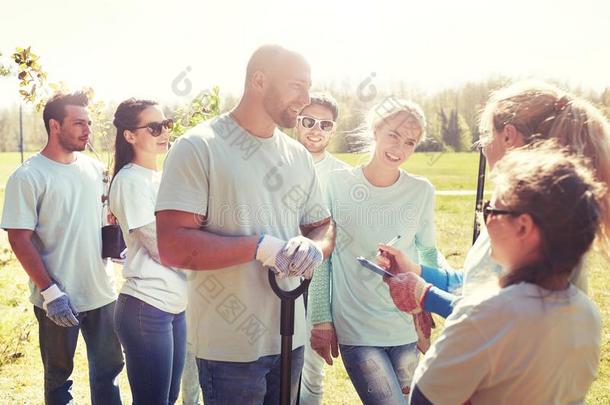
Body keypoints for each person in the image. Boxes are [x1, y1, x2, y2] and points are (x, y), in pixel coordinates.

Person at [155, 44, 335, 404]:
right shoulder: (199, 146)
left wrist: (314, 246)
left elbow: (323, 225)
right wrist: (258, 247)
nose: (306, 97)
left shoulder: (297, 155)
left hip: (290, 336)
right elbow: (172, 244)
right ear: (259, 80)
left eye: (309, 86)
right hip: (229, 349)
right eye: (297, 86)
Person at [384, 144, 605, 404]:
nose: (484, 220)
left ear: (523, 227)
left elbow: (425, 398)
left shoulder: (485, 312)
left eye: (492, 211)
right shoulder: (587, 315)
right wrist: (422, 286)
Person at [377, 81, 610, 319]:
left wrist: (424, 295)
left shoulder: (522, 222)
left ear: (508, 136)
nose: (483, 148)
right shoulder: (520, 210)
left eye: (485, 135)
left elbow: (499, 320)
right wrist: (415, 270)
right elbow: (474, 282)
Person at [308, 98, 444, 404]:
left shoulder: (421, 190)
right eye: (393, 135)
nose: (399, 148)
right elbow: (322, 260)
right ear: (375, 130)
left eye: (410, 142)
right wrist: (321, 319)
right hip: (358, 329)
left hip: (404, 328)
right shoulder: (336, 185)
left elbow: (427, 252)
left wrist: (426, 308)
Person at [1, 91, 124, 405]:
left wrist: (117, 246)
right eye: (79, 123)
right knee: (59, 378)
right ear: (54, 126)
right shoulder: (28, 176)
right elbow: (18, 238)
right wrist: (50, 292)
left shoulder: (96, 170)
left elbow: (103, 220)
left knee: (109, 371)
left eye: (89, 123)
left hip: (101, 293)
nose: (88, 130)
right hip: (57, 298)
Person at [109, 98, 187, 404]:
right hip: (146, 308)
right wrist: (214, 260)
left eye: (166, 124)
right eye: (154, 127)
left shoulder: (160, 177)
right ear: (130, 135)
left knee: (168, 398)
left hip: (176, 307)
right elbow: (162, 248)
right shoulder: (129, 181)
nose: (164, 132)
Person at [294, 92, 350, 405]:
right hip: (275, 278)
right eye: (309, 121)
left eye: (325, 124)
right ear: (296, 122)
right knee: (277, 367)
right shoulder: (277, 161)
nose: (316, 129)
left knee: (313, 371)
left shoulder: (342, 175)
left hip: (319, 283)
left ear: (333, 129)